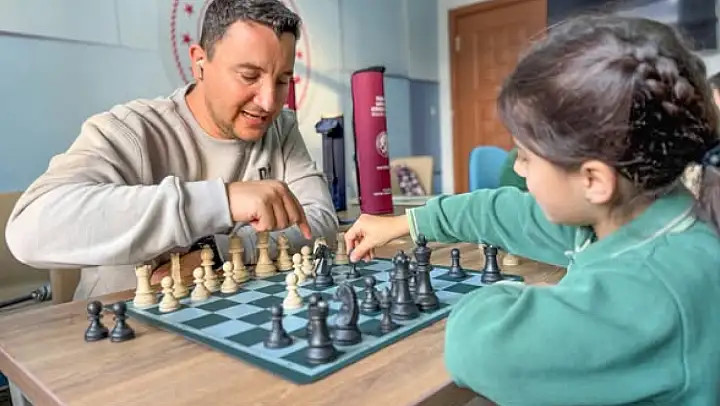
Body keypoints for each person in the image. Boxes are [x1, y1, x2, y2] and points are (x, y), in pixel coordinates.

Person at [344, 15, 720, 406]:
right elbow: (503, 212)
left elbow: (474, 347)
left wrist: (514, 292)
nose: (519, 171)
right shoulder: (631, 215)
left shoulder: (650, 289)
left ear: (593, 180)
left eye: (525, 157)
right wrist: (406, 222)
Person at [4, 0, 338, 300]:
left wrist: (221, 250)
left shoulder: (280, 129)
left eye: (282, 81)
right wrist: (221, 201)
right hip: (119, 330)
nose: (268, 102)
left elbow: (322, 224)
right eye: (249, 76)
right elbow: (28, 231)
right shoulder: (132, 131)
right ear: (200, 63)